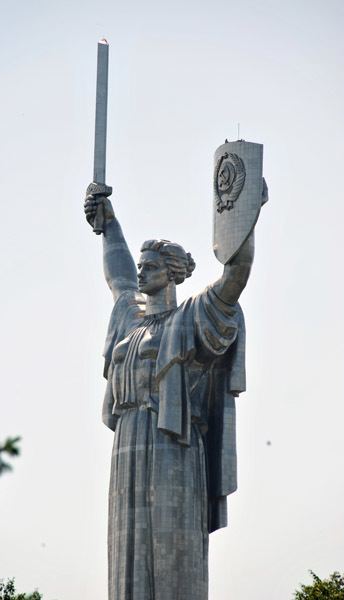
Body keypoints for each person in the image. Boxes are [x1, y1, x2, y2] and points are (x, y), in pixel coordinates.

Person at [84, 192, 254, 600]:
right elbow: (118, 275)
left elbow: (236, 276)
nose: (142, 274)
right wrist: (109, 224)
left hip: (172, 442)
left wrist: (245, 216)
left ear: (172, 273)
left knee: (172, 545)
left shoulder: (193, 316)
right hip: (127, 441)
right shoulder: (129, 315)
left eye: (151, 267)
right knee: (128, 553)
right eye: (142, 267)